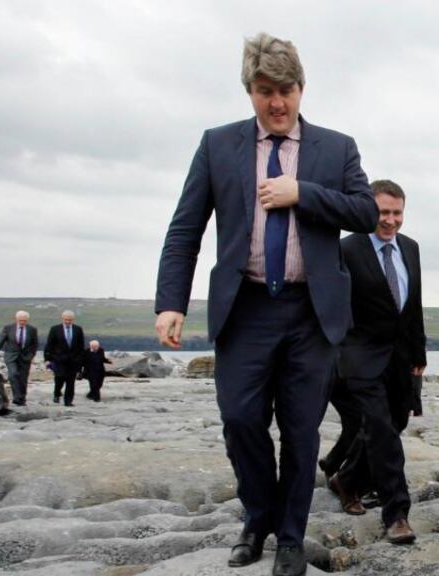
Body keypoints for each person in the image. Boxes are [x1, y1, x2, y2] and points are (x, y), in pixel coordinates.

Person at [154, 32, 377, 576]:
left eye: (286, 89)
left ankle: (291, 538)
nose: (276, 102)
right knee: (240, 420)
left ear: (302, 88)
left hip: (311, 312)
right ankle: (258, 516)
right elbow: (185, 228)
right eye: (264, 90)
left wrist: (303, 193)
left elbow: (367, 213)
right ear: (249, 91)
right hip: (246, 307)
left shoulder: (336, 147)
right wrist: (170, 301)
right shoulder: (217, 144)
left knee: (302, 432)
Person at [328, 179, 426, 544]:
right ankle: (396, 513)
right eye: (383, 212)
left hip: (401, 361)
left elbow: (412, 306)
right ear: (368, 210)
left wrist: (419, 356)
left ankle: (347, 479)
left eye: (397, 213)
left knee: (393, 424)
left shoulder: (411, 248)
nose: (390, 220)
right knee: (382, 432)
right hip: (360, 358)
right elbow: (332, 305)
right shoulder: (346, 249)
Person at [0, 311, 39, 407]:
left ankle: (21, 399)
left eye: (24, 321)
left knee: (23, 378)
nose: (22, 322)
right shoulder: (8, 328)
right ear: (16, 319)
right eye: (20, 320)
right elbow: (1, 341)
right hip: (11, 355)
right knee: (13, 374)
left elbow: (35, 344)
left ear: (27, 320)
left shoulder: (32, 329)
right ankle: (17, 397)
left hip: (25, 357)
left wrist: (32, 355)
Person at [44, 310, 86, 406]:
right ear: (62, 319)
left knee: (70, 382)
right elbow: (49, 345)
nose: (67, 322)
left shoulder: (78, 329)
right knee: (59, 378)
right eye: (66, 320)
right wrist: (47, 359)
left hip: (73, 360)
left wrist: (81, 361)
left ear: (73, 320)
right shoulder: (55, 329)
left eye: (70, 320)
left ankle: (68, 401)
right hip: (59, 360)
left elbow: (81, 346)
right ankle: (57, 393)